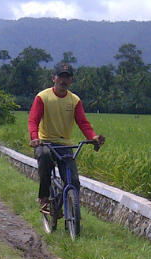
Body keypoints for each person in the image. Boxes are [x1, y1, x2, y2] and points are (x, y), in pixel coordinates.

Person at [28, 62, 105, 214]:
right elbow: (33, 120)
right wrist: (35, 138)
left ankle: (68, 210)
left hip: (64, 144)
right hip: (45, 142)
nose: (63, 80)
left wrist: (93, 137)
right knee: (44, 157)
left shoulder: (74, 100)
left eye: (67, 77)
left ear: (71, 81)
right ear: (54, 78)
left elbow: (83, 122)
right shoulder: (43, 97)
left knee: (74, 181)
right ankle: (44, 197)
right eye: (60, 77)